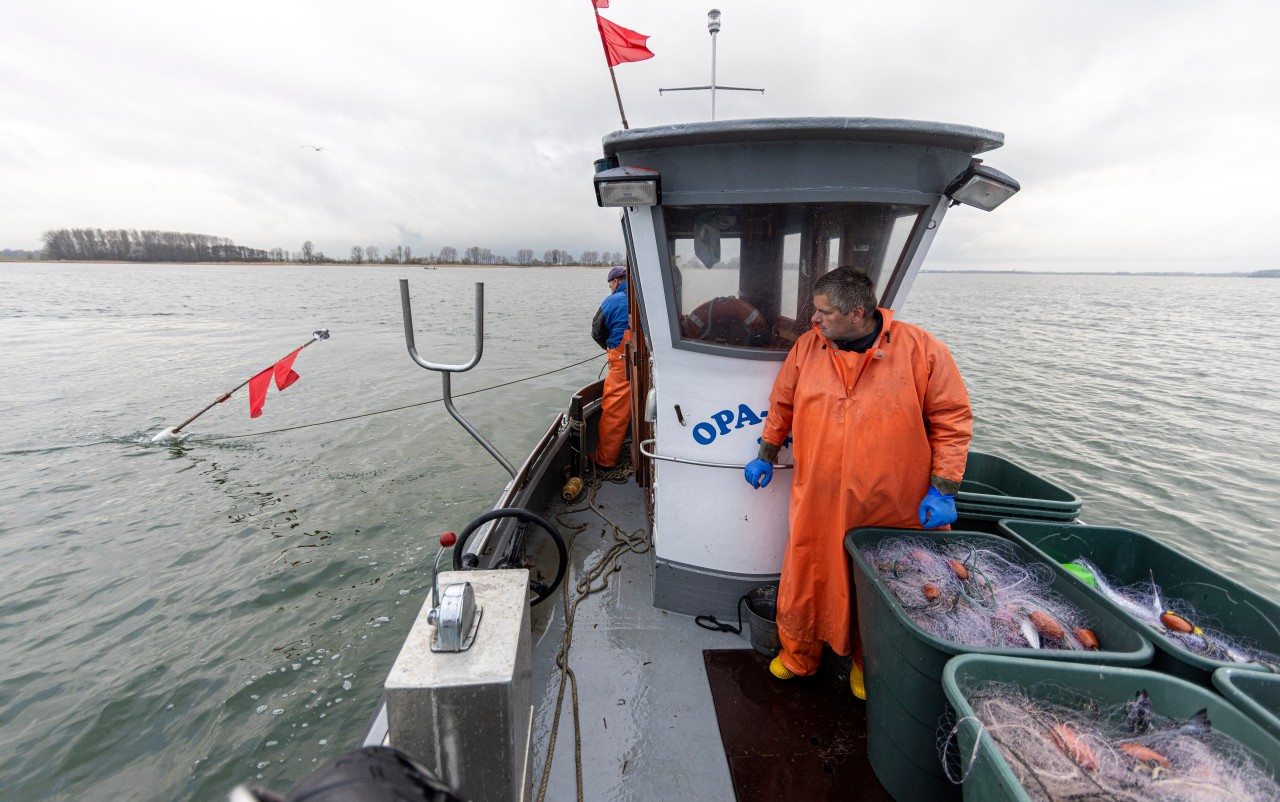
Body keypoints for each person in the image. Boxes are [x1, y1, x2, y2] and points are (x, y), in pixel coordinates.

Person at [743, 266, 972, 699]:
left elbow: (952, 419)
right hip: (819, 497)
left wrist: (944, 487)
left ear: (857, 313)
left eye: (824, 313)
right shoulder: (809, 348)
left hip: (892, 501)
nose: (815, 320)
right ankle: (799, 655)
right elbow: (782, 402)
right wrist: (766, 453)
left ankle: (869, 665)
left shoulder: (922, 350)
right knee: (808, 573)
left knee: (883, 586)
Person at [591, 265, 632, 468]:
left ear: (615, 282)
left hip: (622, 362)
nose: (611, 289)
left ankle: (605, 461)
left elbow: (597, 332)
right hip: (650, 358)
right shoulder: (646, 296)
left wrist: (610, 349)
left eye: (610, 285)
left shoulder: (612, 300)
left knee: (614, 410)